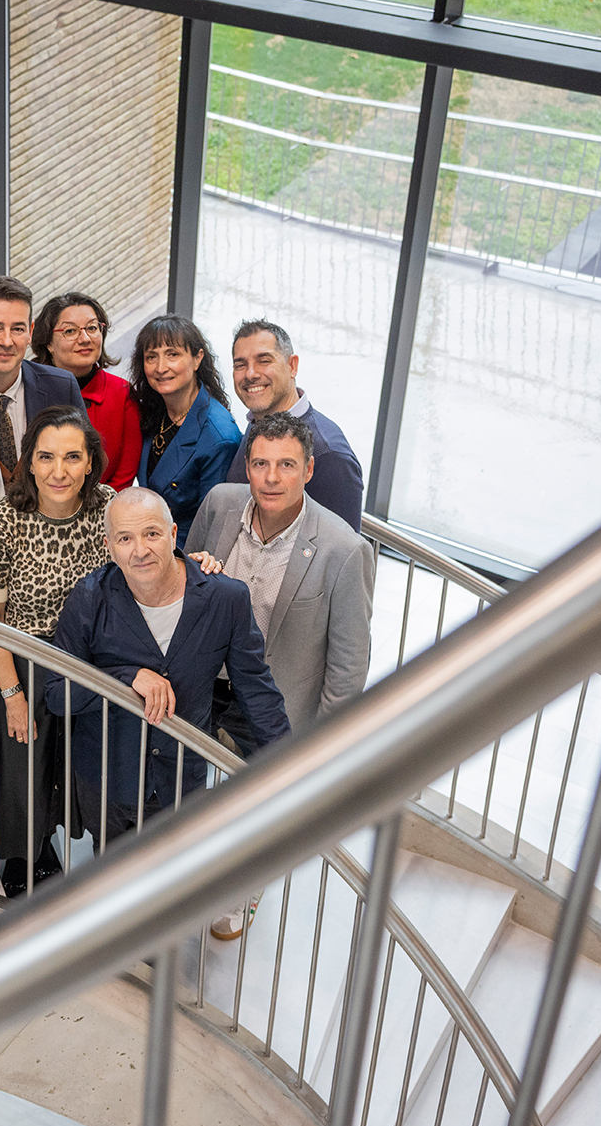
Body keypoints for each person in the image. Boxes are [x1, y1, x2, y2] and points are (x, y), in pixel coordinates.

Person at [43, 488, 289, 845]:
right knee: (110, 881)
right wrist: (126, 679)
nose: (140, 550)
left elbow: (256, 690)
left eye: (152, 534)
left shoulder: (226, 599)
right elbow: (56, 694)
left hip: (179, 781)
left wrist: (292, 766)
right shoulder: (89, 597)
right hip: (107, 778)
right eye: (125, 538)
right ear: (108, 546)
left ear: (174, 535)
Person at [0, 406, 114, 897]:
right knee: (24, 770)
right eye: (46, 457)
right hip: (23, 661)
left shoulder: (109, 510)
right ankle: (25, 856)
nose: (59, 471)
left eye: (73, 457)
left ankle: (78, 845)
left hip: (90, 664)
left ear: (90, 462)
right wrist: (12, 694)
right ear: (28, 462)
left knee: (75, 767)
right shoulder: (4, 522)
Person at [189, 412, 375, 736]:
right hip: (203, 688)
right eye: (261, 464)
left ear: (309, 470)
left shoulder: (345, 550)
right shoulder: (218, 504)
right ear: (247, 468)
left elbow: (348, 669)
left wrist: (319, 746)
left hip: (275, 710)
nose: (271, 477)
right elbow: (184, 593)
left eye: (286, 465)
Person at [225, 319, 365, 532]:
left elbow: (344, 553)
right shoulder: (257, 421)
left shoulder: (328, 453)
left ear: (292, 366)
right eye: (240, 365)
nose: (250, 374)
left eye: (264, 360)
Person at [0, 276, 86, 487]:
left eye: (17, 329)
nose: (7, 341)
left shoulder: (62, 388)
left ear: (30, 332)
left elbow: (83, 464)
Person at [131, 315, 239, 546]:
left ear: (197, 358)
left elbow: (212, 526)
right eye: (151, 357)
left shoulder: (218, 438)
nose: (161, 368)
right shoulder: (154, 407)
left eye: (173, 354)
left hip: (183, 554)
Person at [32, 291, 140, 488]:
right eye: (70, 331)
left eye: (92, 328)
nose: (85, 338)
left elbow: (124, 477)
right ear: (48, 343)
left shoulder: (122, 392)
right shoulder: (29, 389)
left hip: (103, 509)